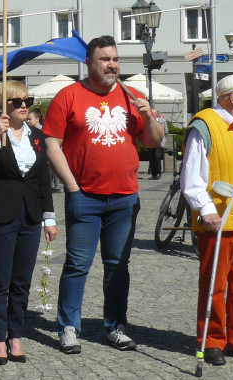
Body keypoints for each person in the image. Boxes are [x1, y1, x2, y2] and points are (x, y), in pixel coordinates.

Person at [43, 35, 164, 354]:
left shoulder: (131, 96)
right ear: (89, 62)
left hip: (125, 197)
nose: (112, 65)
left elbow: (154, 142)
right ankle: (68, 326)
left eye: (115, 59)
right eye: (104, 59)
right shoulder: (68, 96)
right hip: (85, 196)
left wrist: (148, 115)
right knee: (78, 264)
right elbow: (51, 143)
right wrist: (71, 186)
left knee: (118, 264)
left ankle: (115, 325)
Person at [180, 73, 233, 365]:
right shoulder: (204, 126)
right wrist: (206, 210)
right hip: (218, 220)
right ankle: (213, 339)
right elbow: (191, 177)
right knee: (215, 283)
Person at [0, 81, 57, 364]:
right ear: (3, 106)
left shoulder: (37, 135)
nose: (24, 105)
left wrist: (49, 217)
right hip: (1, 215)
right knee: (1, 280)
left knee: (21, 281)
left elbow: (42, 180)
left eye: (27, 99)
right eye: (17, 101)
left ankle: (16, 335)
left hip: (31, 217)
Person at [148, 110, 168, 180]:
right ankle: (153, 174)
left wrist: (163, 142)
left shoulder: (162, 121)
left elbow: (166, 132)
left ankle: (159, 173)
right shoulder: (148, 121)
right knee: (151, 158)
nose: (152, 114)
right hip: (151, 142)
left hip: (159, 143)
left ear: (156, 114)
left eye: (153, 113)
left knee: (157, 157)